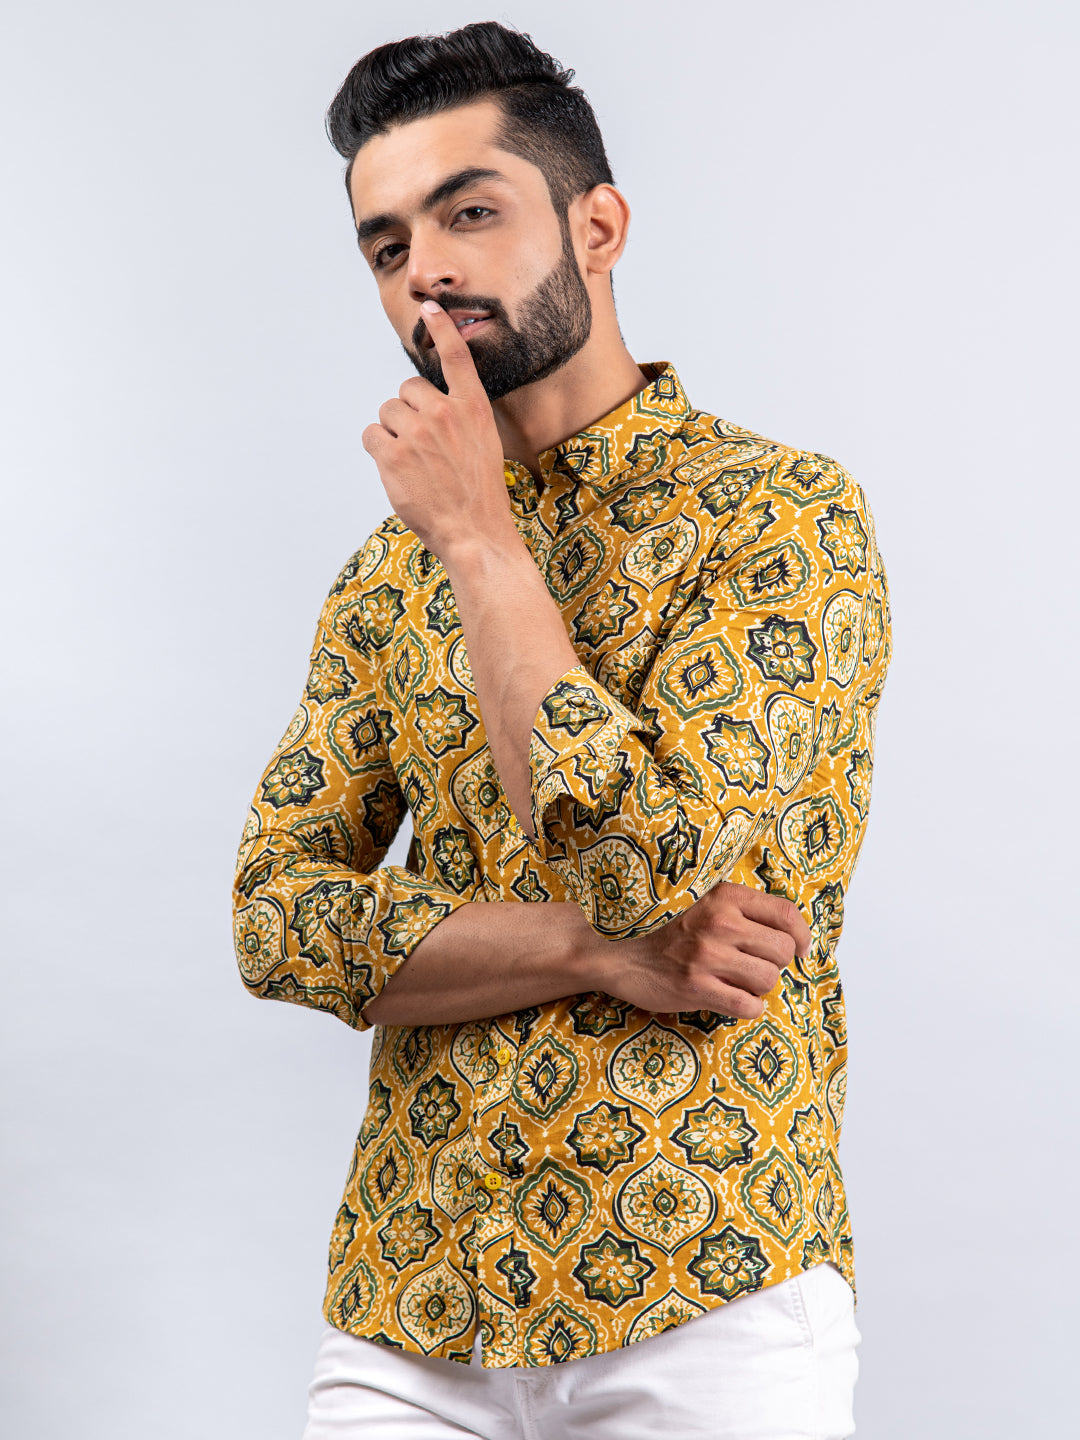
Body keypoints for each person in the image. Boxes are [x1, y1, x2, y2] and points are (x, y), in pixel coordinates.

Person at [231, 20, 891, 1439]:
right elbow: (276, 922)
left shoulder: (782, 518)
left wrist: (480, 540)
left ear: (599, 227)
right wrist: (603, 955)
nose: (426, 270)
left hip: (702, 1287)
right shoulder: (383, 576)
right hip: (411, 1305)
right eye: (388, 243)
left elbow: (642, 864)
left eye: (468, 212)